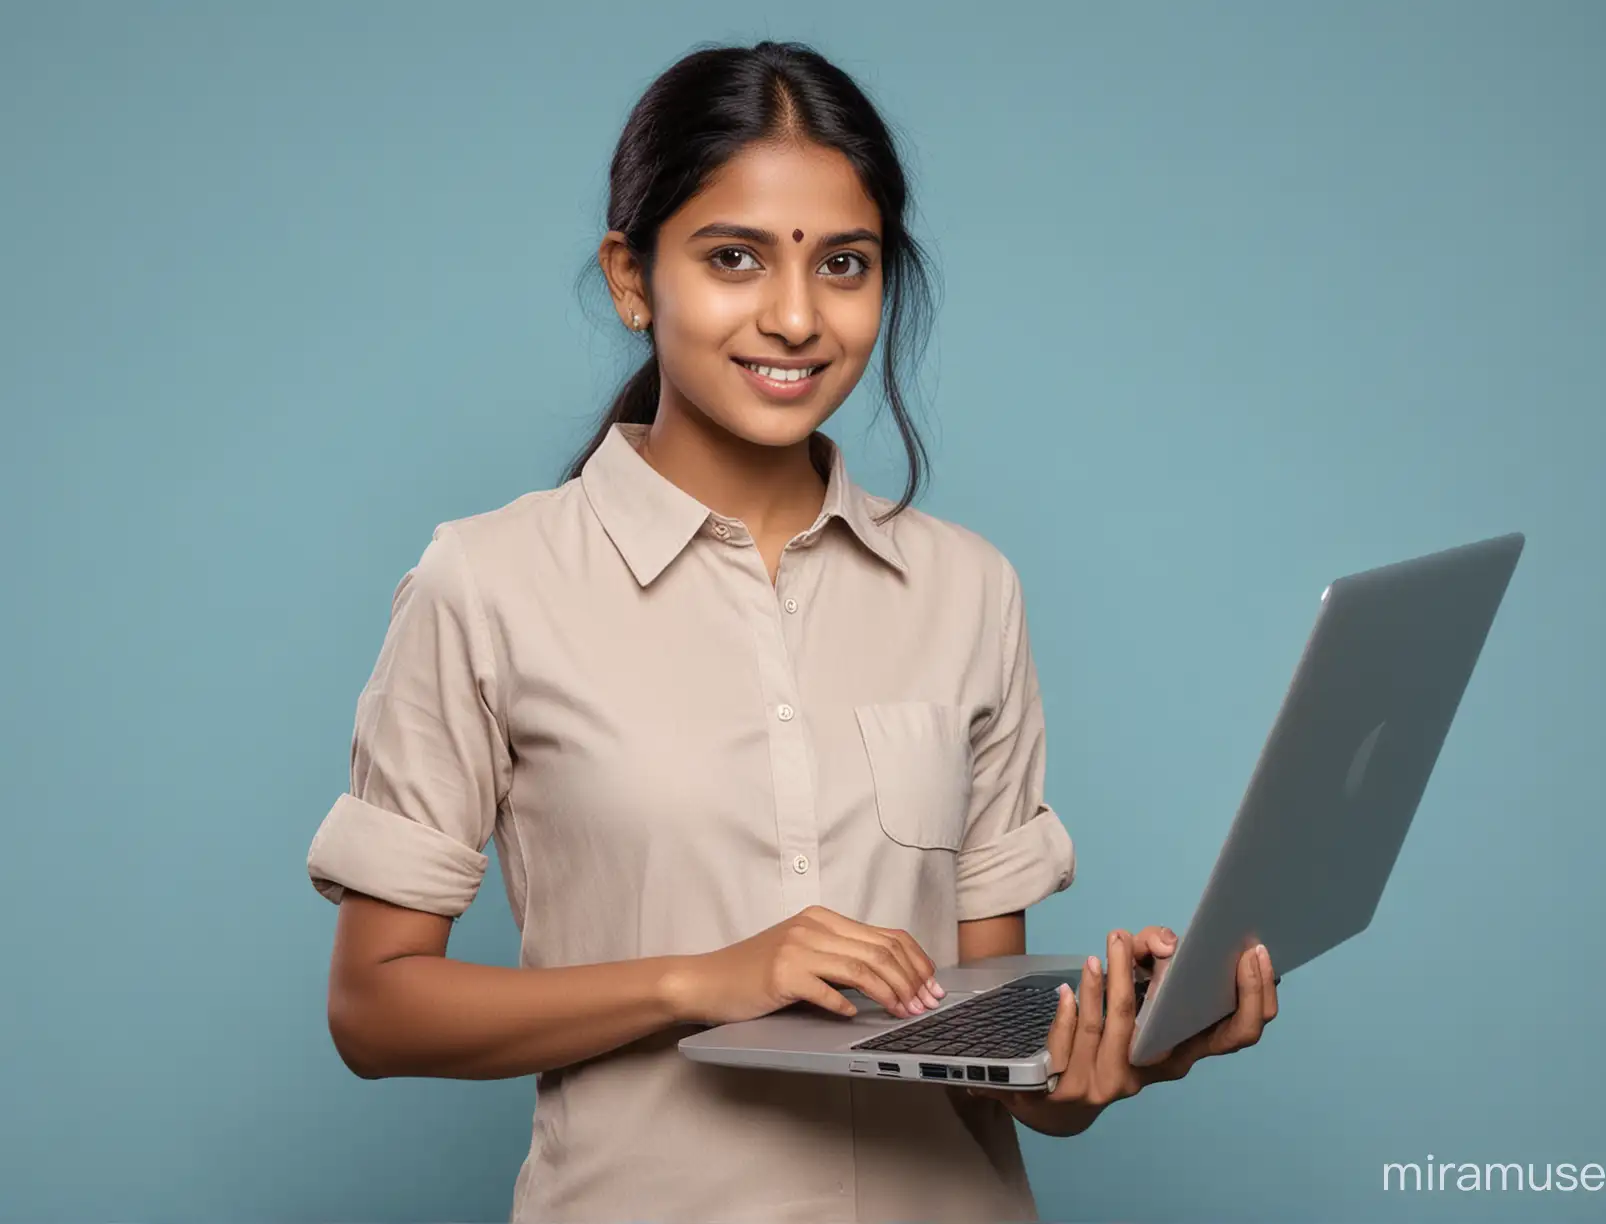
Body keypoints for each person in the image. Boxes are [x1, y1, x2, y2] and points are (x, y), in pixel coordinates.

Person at [305, 39, 1279, 1224]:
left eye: (846, 265)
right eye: (734, 258)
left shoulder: (969, 590)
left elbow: (989, 1058)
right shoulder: (490, 582)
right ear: (631, 276)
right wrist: (703, 980)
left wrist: (1111, 1053)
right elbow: (374, 1007)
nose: (796, 317)